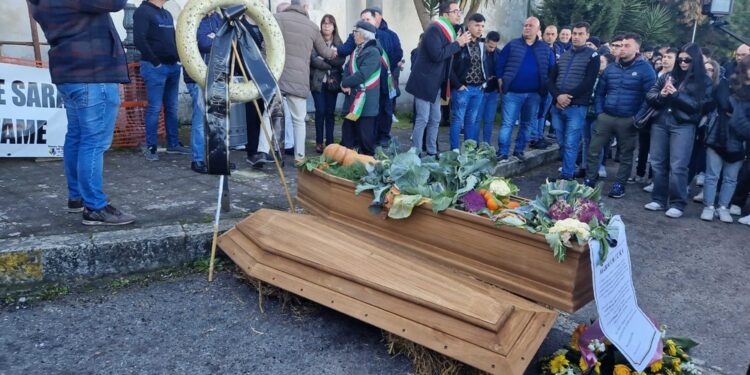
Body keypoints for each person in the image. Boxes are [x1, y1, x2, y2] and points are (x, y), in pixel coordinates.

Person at [28, 0, 136, 225]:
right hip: (93, 72)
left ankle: (76, 197)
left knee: (77, 137)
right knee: (94, 142)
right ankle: (95, 206)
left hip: (69, 72)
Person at [643, 43, 712, 218]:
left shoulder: (704, 81)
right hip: (660, 122)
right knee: (658, 163)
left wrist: (676, 95)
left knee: (678, 166)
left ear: (695, 60)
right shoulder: (667, 76)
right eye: (680, 59)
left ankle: (677, 203)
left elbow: (700, 106)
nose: (682, 63)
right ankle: (658, 199)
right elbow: (650, 96)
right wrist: (662, 95)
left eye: (687, 60)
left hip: (684, 125)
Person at [586, 33, 656, 198]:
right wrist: (600, 112)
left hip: (628, 119)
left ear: (637, 48)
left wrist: (636, 118)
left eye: (627, 46)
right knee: (593, 149)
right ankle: (589, 180)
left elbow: (649, 97)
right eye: (621, 45)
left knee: (626, 154)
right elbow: (600, 92)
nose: (622, 49)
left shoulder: (646, 69)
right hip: (606, 116)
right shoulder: (611, 67)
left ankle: (619, 185)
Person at [406, 0, 471, 156]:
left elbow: (448, 58)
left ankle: (432, 151)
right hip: (424, 82)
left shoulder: (449, 31)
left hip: (436, 83)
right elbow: (438, 55)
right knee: (423, 118)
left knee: (435, 118)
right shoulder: (434, 29)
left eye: (459, 12)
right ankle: (415, 153)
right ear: (445, 14)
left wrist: (457, 43)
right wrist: (457, 44)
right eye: (455, 11)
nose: (458, 14)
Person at [275, 0, 336, 161]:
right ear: (304, 7)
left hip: (277, 77)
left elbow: (264, 45)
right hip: (299, 80)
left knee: (271, 116)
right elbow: (323, 52)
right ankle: (300, 156)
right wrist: (333, 55)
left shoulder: (276, 18)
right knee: (298, 120)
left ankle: (266, 151)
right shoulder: (311, 26)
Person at [134, 0, 191, 161]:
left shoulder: (166, 13)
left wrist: (179, 60)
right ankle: (151, 147)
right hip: (155, 68)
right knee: (155, 108)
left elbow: (174, 39)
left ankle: (173, 143)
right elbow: (139, 39)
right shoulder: (143, 12)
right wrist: (155, 62)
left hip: (172, 66)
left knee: (172, 107)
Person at [494, 16, 555, 162]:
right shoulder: (512, 45)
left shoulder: (545, 49)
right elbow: (499, 64)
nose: (527, 28)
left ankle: (519, 150)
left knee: (526, 124)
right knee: (507, 124)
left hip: (534, 95)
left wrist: (546, 87)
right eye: (525, 25)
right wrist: (501, 80)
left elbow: (552, 70)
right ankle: (502, 152)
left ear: (538, 30)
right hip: (512, 93)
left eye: (531, 26)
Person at [548, 21, 600, 180]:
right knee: (562, 141)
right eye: (574, 34)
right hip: (558, 105)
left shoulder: (593, 56)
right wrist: (558, 96)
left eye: (580, 34)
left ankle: (567, 176)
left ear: (587, 35)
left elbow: (588, 82)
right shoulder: (564, 55)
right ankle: (569, 167)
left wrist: (567, 97)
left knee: (571, 143)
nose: (576, 37)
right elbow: (550, 79)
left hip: (576, 107)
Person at [701, 55, 749, 222]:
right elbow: (724, 105)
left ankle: (723, 207)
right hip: (719, 133)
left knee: (731, 177)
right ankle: (708, 206)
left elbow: (733, 111)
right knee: (712, 175)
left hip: (740, 138)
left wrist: (737, 114)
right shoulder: (725, 83)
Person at [183, 12, 222, 174]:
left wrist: (214, 37)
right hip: (197, 77)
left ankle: (217, 159)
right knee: (200, 121)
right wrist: (217, 38)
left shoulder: (217, 17)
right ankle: (197, 159)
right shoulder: (192, 17)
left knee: (217, 119)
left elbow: (228, 39)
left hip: (216, 75)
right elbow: (203, 43)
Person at [340, 21, 382, 156]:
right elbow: (347, 68)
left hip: (365, 101)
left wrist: (346, 83)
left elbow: (363, 74)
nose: (353, 35)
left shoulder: (373, 52)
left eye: (355, 32)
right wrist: (344, 83)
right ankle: (348, 160)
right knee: (348, 133)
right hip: (353, 99)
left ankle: (370, 164)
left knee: (365, 137)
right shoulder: (357, 49)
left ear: (364, 35)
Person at [448, 13, 487, 149]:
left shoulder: (482, 43)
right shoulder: (460, 41)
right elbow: (449, 66)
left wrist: (484, 82)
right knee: (458, 121)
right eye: (477, 25)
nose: (480, 29)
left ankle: (469, 152)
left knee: (471, 121)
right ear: (468, 25)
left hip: (478, 89)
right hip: (463, 89)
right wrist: (457, 85)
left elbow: (484, 65)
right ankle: (455, 151)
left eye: (482, 26)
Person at [310, 14, 346, 153]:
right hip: (318, 81)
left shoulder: (339, 42)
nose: (326, 26)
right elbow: (313, 60)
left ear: (334, 26)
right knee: (320, 111)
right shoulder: (315, 40)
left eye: (330, 23)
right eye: (324, 23)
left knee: (330, 113)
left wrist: (323, 59)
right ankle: (319, 142)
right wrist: (330, 58)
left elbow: (340, 61)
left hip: (333, 82)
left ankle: (330, 143)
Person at [529, 25, 562, 150]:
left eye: (553, 34)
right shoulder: (537, 48)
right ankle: (533, 138)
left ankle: (539, 136)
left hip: (550, 87)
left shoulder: (557, 49)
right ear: (543, 35)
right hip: (537, 86)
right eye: (548, 34)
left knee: (543, 113)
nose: (550, 36)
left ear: (556, 35)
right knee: (535, 112)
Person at [476, 31, 501, 145]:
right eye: (490, 46)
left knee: (489, 121)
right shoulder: (478, 51)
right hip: (481, 91)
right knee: (476, 120)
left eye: (494, 47)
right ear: (486, 41)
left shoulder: (499, 53)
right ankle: (474, 145)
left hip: (493, 92)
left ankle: (486, 145)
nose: (492, 49)